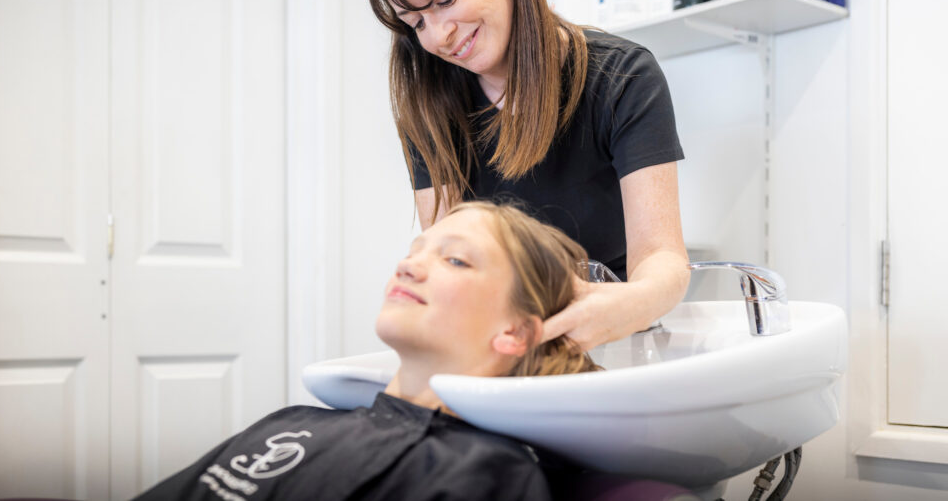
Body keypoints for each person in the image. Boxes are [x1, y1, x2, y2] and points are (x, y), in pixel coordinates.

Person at [366, 0, 690, 350]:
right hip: (501, 349)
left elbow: (661, 256)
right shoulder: (430, 106)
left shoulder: (622, 78)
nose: (438, 37)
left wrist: (629, 303)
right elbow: (448, 265)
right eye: (416, 22)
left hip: (614, 344)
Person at [132, 202, 599, 501]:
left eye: (454, 259)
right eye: (416, 250)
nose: (408, 265)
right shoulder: (293, 422)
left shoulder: (486, 476)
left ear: (516, 333)